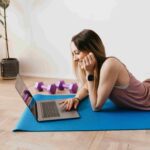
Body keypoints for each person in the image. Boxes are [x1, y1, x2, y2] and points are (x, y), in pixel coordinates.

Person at [60, 29, 150, 111]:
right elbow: (86, 87)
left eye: (77, 53)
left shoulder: (109, 65)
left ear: (91, 50)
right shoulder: (97, 67)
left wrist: (89, 72)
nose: (75, 58)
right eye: (73, 54)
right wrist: (76, 98)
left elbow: (96, 106)